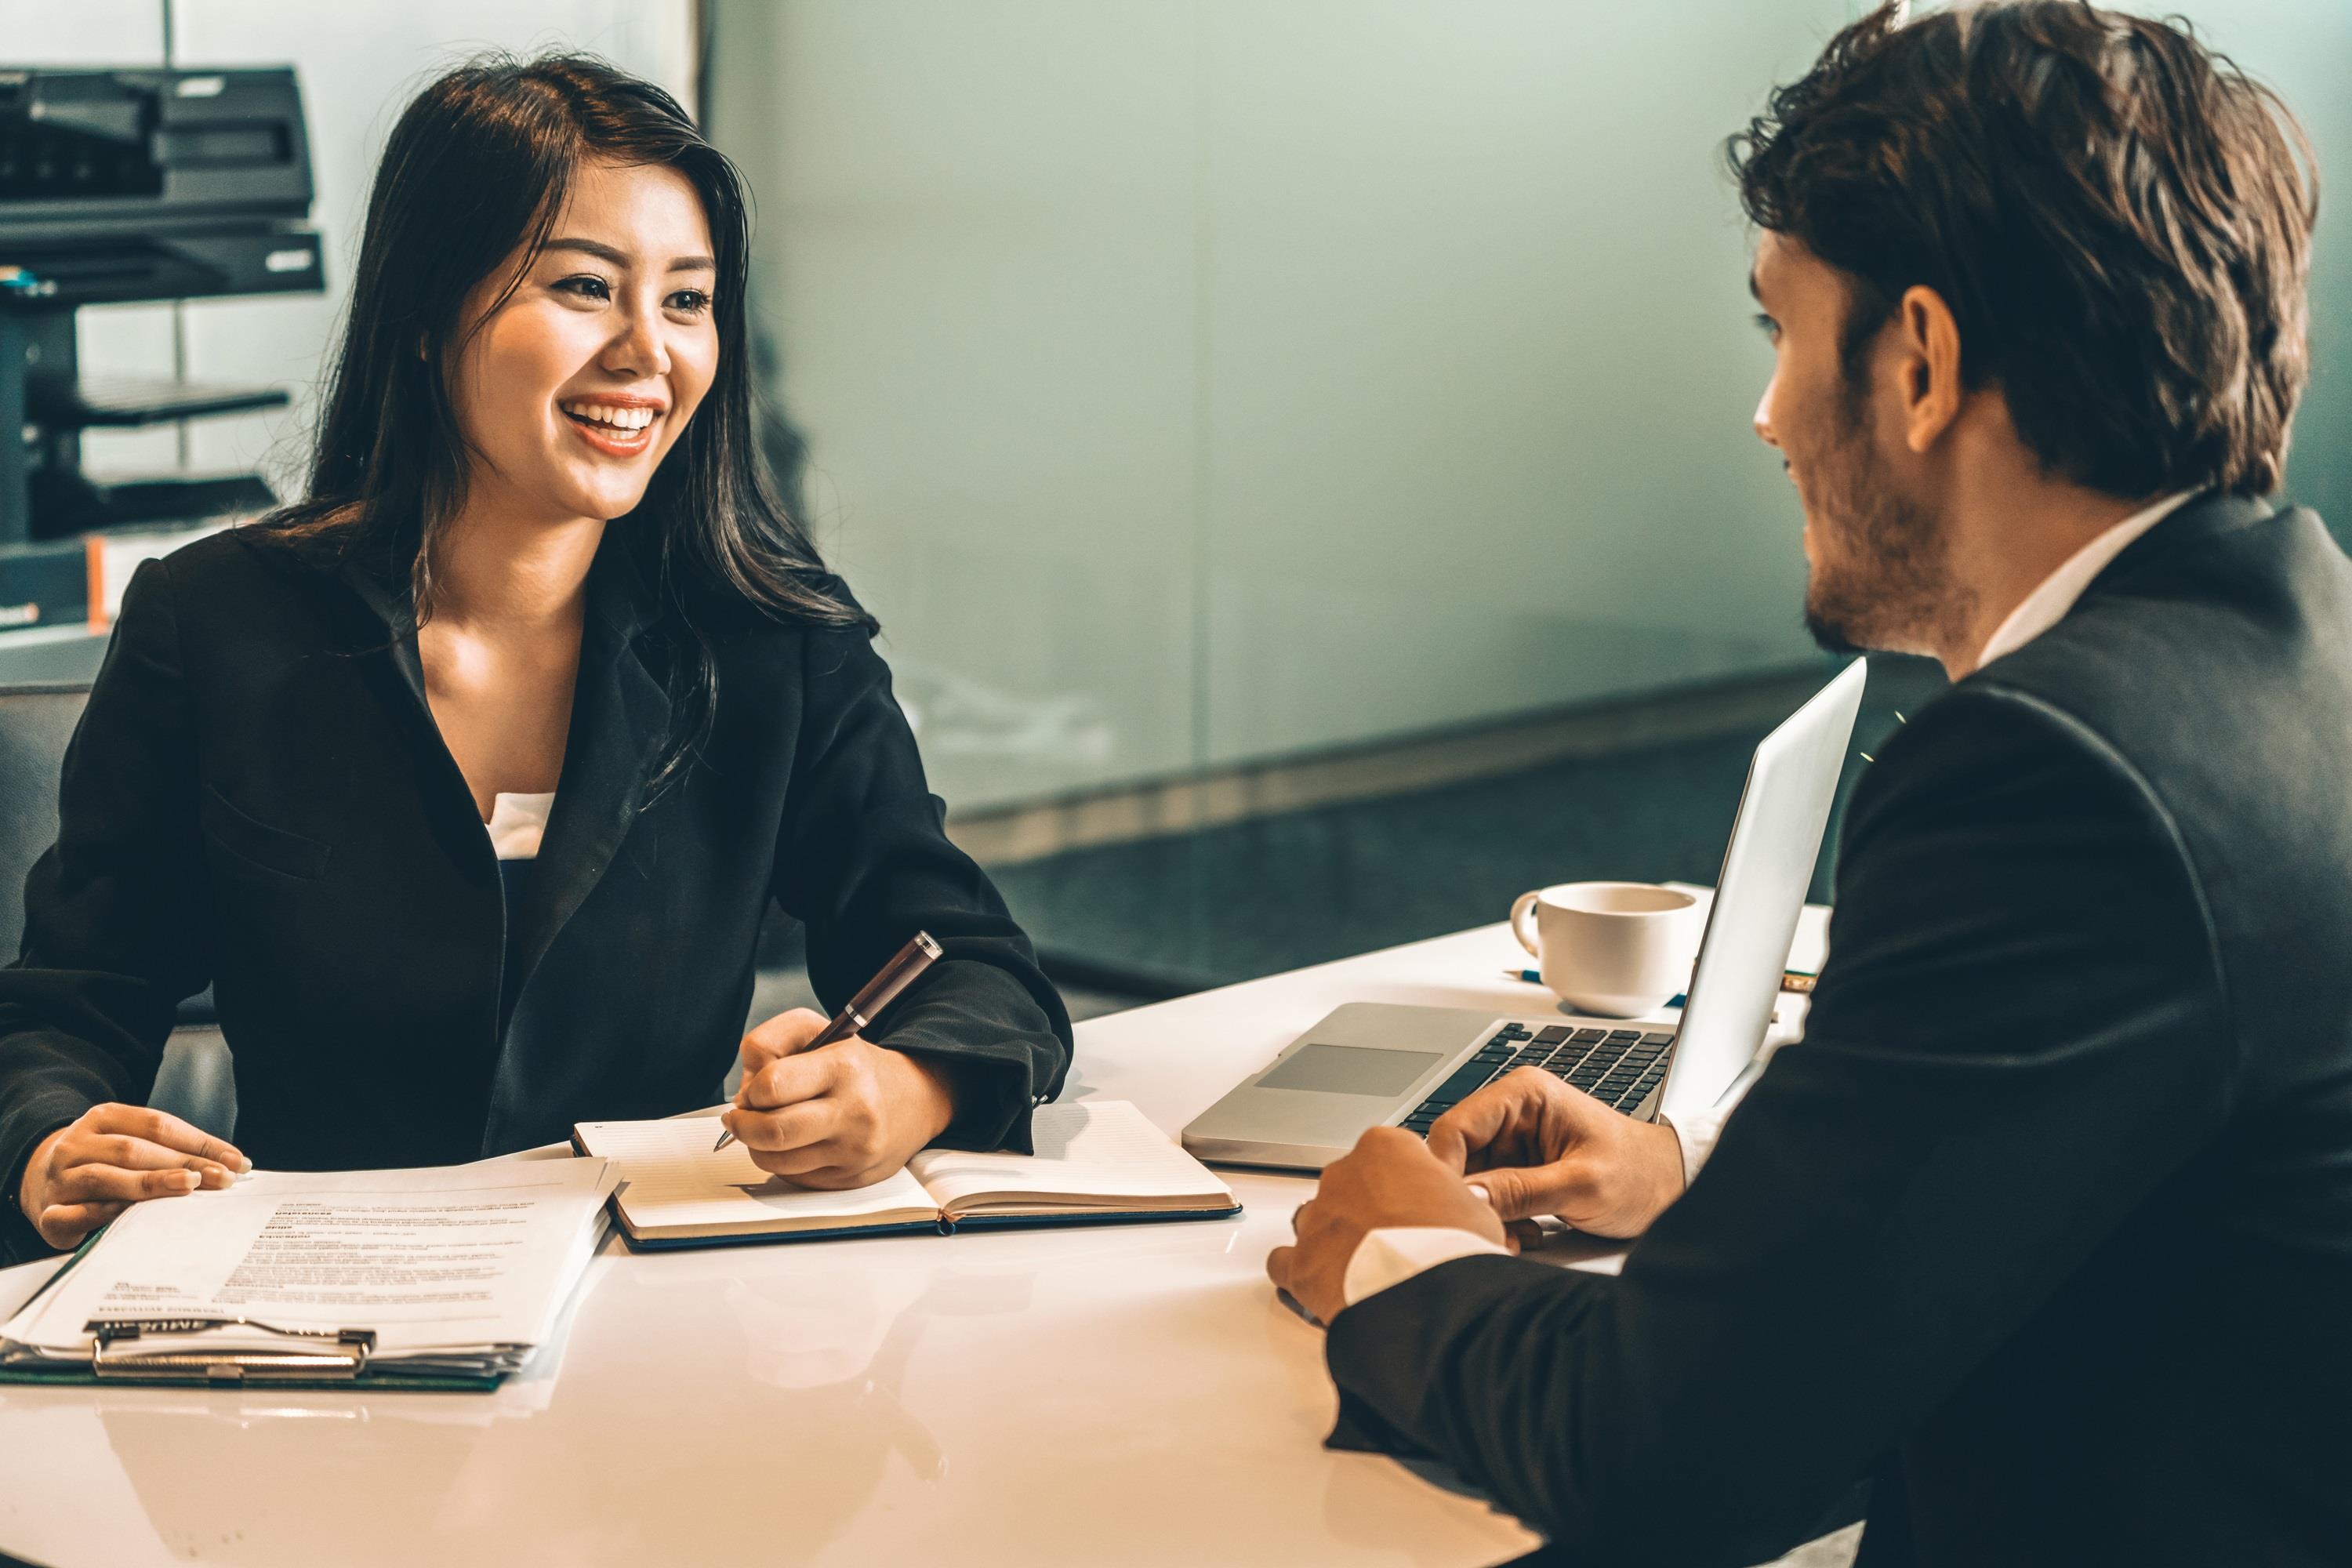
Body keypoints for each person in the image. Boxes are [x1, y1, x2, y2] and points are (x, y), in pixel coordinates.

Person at [1268, 5, 2352, 1563]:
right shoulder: (2297, 658)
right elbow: (2105, 1182)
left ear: (1918, 362)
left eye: (1781, 328)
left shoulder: (2058, 777)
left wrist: (1404, 1263)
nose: (1768, 415)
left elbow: (1662, 1457)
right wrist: (1700, 1179)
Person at [0, 56, 1071, 1264]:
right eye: (582, 287)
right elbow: (65, 1009)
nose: (645, 354)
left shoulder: (771, 643)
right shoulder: (218, 625)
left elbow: (976, 970)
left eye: (686, 300)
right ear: (424, 313)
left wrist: (908, 1084)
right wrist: (50, 1139)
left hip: (654, 1319)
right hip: (309, 1326)